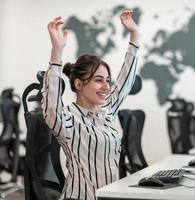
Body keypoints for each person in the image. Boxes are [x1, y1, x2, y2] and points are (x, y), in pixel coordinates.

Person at [42, 10, 139, 200]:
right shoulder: (68, 119)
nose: (106, 86)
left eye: (107, 80)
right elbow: (51, 104)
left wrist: (135, 35)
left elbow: (125, 83)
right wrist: (57, 52)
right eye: (98, 80)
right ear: (78, 84)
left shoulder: (105, 111)